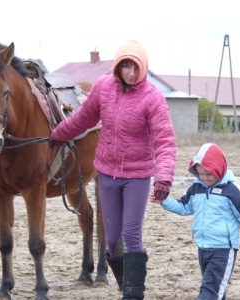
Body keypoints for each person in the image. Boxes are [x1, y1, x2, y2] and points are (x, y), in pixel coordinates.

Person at [49, 40, 177, 299]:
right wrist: (58, 134)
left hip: (137, 176)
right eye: (125, 66)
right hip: (107, 172)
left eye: (135, 67)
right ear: (118, 66)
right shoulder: (103, 88)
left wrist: (163, 177)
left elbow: (165, 139)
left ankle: (133, 295)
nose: (130, 72)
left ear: (143, 68)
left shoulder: (153, 97)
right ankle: (126, 286)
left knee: (131, 234)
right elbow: (84, 118)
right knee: (112, 241)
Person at [150, 143, 240, 300]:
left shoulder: (231, 190)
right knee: (217, 290)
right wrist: (163, 201)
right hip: (203, 247)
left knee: (210, 290)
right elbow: (184, 206)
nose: (204, 178)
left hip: (223, 249)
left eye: (208, 174)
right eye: (200, 174)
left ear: (219, 169)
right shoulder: (197, 188)